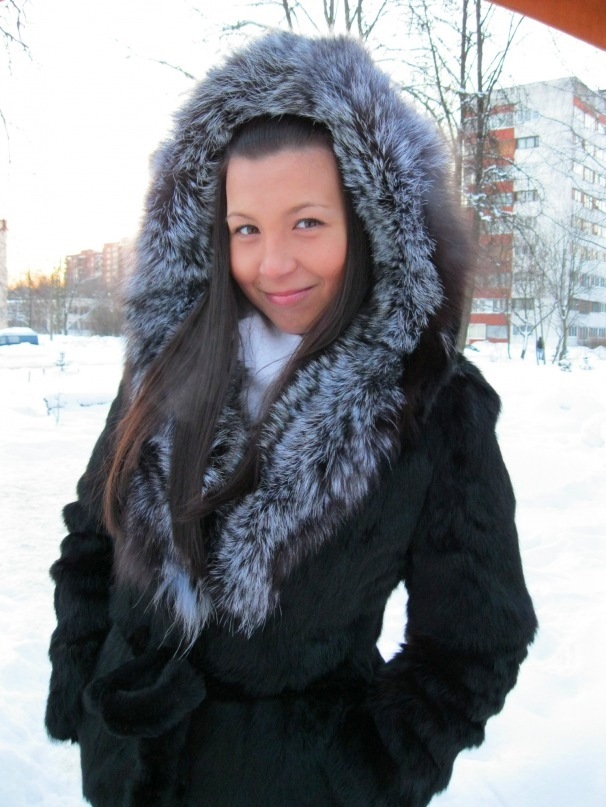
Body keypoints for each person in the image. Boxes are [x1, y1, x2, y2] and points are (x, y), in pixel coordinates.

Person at [45, 32, 537, 807]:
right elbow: (91, 538)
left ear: (370, 221)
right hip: (129, 774)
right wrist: (81, 680)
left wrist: (365, 772)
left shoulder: (432, 404)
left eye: (306, 222)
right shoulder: (171, 363)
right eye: (245, 228)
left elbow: (477, 639)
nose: (272, 263)